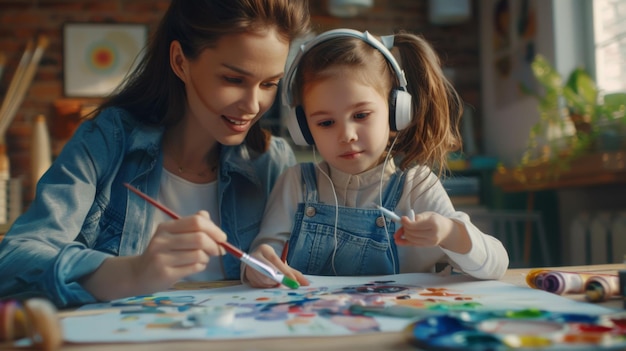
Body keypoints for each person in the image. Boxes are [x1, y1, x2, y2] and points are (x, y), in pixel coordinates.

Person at [0, 0, 310, 308]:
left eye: (269, 84)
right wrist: (135, 272)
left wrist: (267, 259)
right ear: (180, 62)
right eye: (233, 79)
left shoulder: (273, 161)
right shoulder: (107, 141)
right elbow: (13, 266)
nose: (253, 105)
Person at [244, 28, 509, 288]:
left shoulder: (416, 188)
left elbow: (497, 265)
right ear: (303, 128)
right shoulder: (295, 184)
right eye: (326, 122)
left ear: (396, 112)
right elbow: (260, 257)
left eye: (361, 115)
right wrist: (256, 267)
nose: (346, 135)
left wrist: (451, 233)